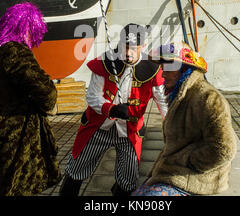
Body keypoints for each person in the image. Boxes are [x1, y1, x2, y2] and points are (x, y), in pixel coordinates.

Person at [60, 23, 168, 196]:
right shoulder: (106, 61)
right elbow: (92, 96)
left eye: (133, 48)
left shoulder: (152, 69)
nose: (128, 53)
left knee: (128, 179)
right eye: (125, 46)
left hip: (130, 132)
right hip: (99, 128)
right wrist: (113, 109)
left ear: (144, 46)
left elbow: (163, 102)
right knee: (76, 170)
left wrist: (170, 125)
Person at [0, 2, 61, 196]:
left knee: (1, 188)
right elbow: (47, 92)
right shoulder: (14, 51)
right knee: (19, 188)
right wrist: (49, 106)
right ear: (25, 28)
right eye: (32, 33)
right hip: (20, 143)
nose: (32, 40)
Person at [132, 42, 237, 196]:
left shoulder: (209, 98)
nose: (162, 74)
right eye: (162, 68)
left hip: (199, 179)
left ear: (184, 69)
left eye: (167, 68)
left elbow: (224, 149)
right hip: (177, 171)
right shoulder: (182, 95)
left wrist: (187, 161)